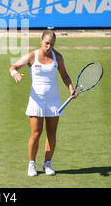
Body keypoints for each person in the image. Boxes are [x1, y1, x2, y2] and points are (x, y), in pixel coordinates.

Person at [9, 29, 76, 176]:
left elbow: (64, 76)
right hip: (36, 101)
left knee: (51, 133)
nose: (48, 47)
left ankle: (47, 164)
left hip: (53, 101)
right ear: (41, 41)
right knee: (36, 133)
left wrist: (71, 89)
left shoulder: (58, 57)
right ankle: (32, 164)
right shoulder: (32, 56)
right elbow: (12, 67)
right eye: (46, 43)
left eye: (51, 44)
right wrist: (16, 74)